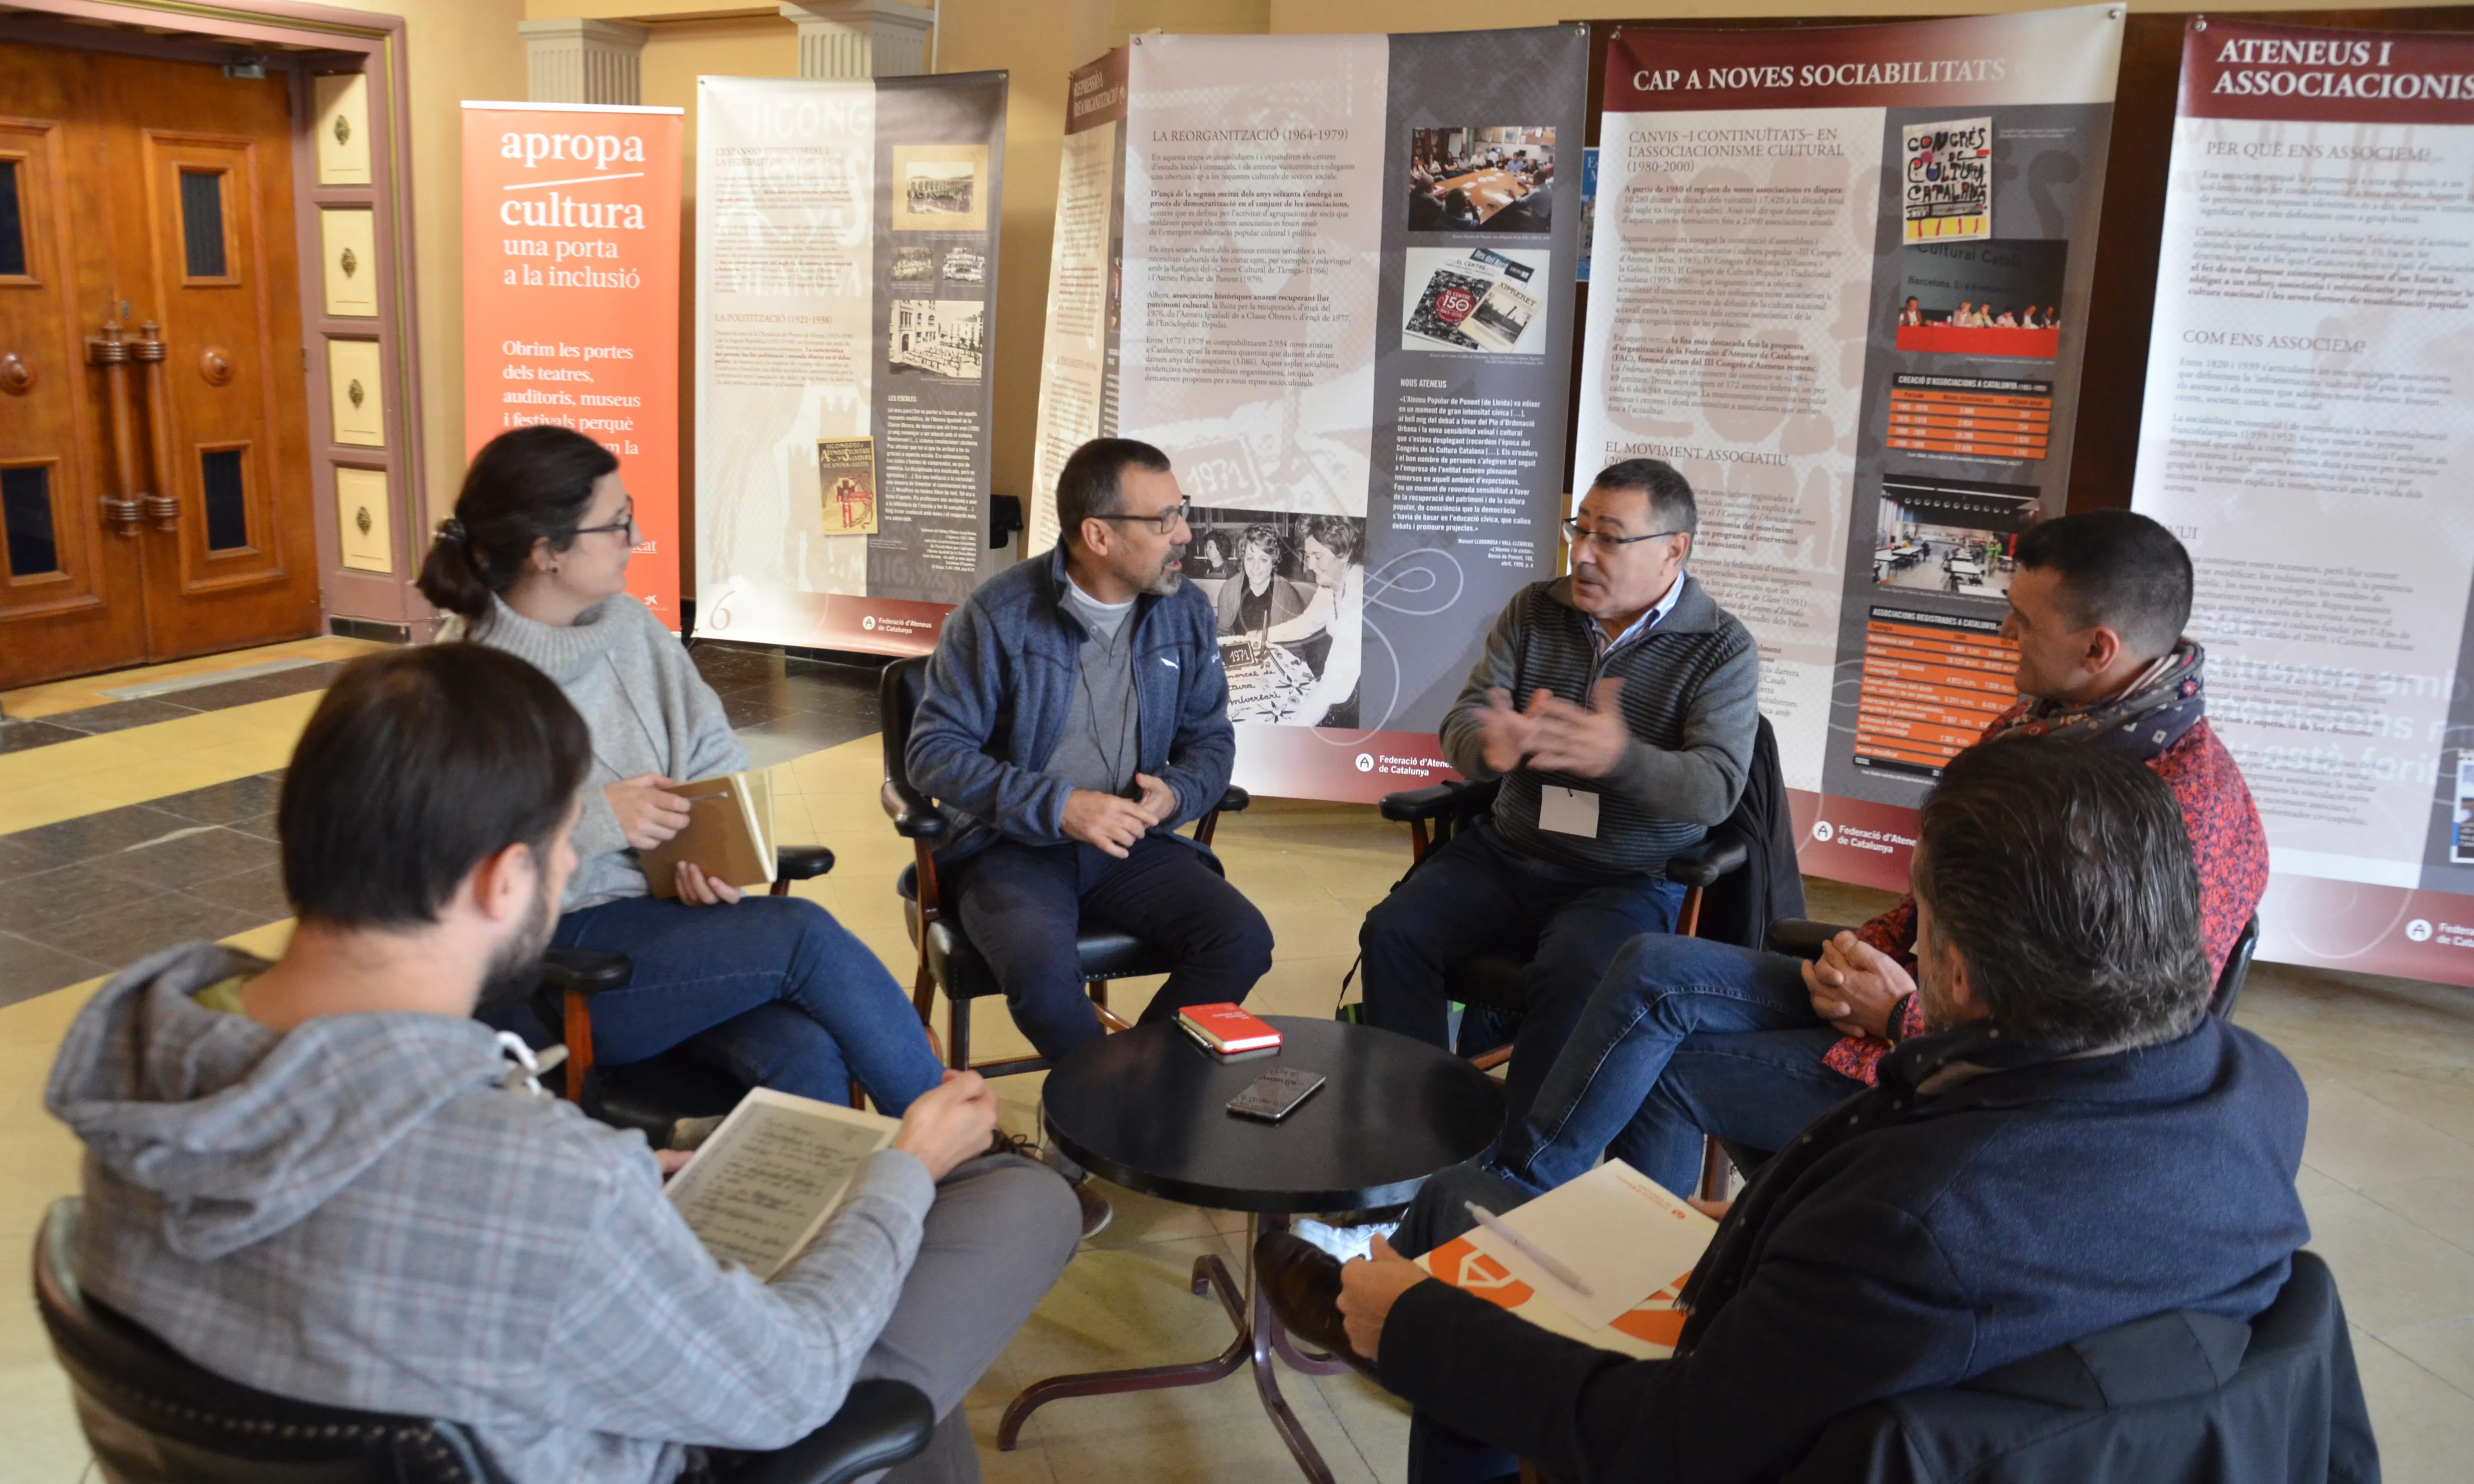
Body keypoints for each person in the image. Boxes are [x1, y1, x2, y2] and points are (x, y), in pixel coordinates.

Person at [46, 645, 1081, 1484]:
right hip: (643, 1440)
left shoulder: (148, 1057)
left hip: (432, 1395)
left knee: (916, 1408)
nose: (574, 870)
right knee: (1019, 1206)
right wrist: (902, 1173)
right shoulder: (543, 1178)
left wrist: (616, 1193)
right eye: (564, 848)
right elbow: (793, 1380)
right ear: (506, 879)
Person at [1262, 735, 2311, 1484]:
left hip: (1808, 1432)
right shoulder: (2257, 1091)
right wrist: (1777, 1232)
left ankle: (1425, 1275)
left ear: (1950, 960)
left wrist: (1417, 1330)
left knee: (1460, 1339)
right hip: (2010, 1409)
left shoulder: (1910, 1221)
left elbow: (1671, 1443)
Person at [1392, 509, 2268, 1246]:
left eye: (2022, 621)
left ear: (2098, 645)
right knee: (1652, 968)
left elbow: (2116, 1043)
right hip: (1903, 994)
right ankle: (1525, 1198)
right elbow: (1951, 893)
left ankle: (1542, 1232)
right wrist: (1866, 946)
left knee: (1662, 1062)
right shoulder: (2059, 719)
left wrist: (1899, 1012)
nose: (2002, 634)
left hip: (1965, 1072)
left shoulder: (2175, 815)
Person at [417, 426, 944, 1123]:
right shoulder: (459, 682)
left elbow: (710, 753)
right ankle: (963, 1149)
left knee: (805, 1049)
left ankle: (822, 1226)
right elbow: (459, 875)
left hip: (665, 938)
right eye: (616, 525)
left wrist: (702, 853)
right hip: (552, 967)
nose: (635, 538)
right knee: (803, 934)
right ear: (546, 552)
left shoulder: (630, 626)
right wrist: (603, 817)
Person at [1357, 459, 1758, 1138]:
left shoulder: (1721, 649)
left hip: (1624, 879)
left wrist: (1621, 759)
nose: (1586, 554)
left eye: (1611, 537)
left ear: (1673, 550)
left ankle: (1514, 1170)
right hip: (1508, 851)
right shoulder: (1536, 610)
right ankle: (1414, 1137)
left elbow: (1716, 789)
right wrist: (1491, 748)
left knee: (1577, 978)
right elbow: (1461, 725)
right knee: (1393, 932)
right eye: (1581, 530)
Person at [907, 434, 1273, 1078]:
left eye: (1179, 509)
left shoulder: (1183, 611)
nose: (1184, 533)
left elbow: (1212, 739)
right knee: (1044, 982)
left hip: (1132, 843)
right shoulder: (997, 615)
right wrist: (1061, 806)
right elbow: (933, 753)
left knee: (1242, 938)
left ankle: (1124, 1095)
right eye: (1163, 519)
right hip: (1012, 846)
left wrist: (1178, 791)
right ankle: (1117, 1109)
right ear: (1098, 536)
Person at [1263, 515, 1364, 726]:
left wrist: (1291, 732)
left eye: (1318, 557)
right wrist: (1261, 635)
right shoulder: (1332, 584)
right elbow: (1306, 624)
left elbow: (1333, 684)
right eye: (1307, 556)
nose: (1309, 566)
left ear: (1344, 554)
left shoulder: (1360, 596)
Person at [1213, 524, 1309, 640]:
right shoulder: (1229, 589)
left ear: (1273, 560)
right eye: (1250, 559)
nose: (1255, 567)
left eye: (1263, 560)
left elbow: (1295, 647)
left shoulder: (1288, 596)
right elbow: (1222, 636)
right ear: (1243, 558)